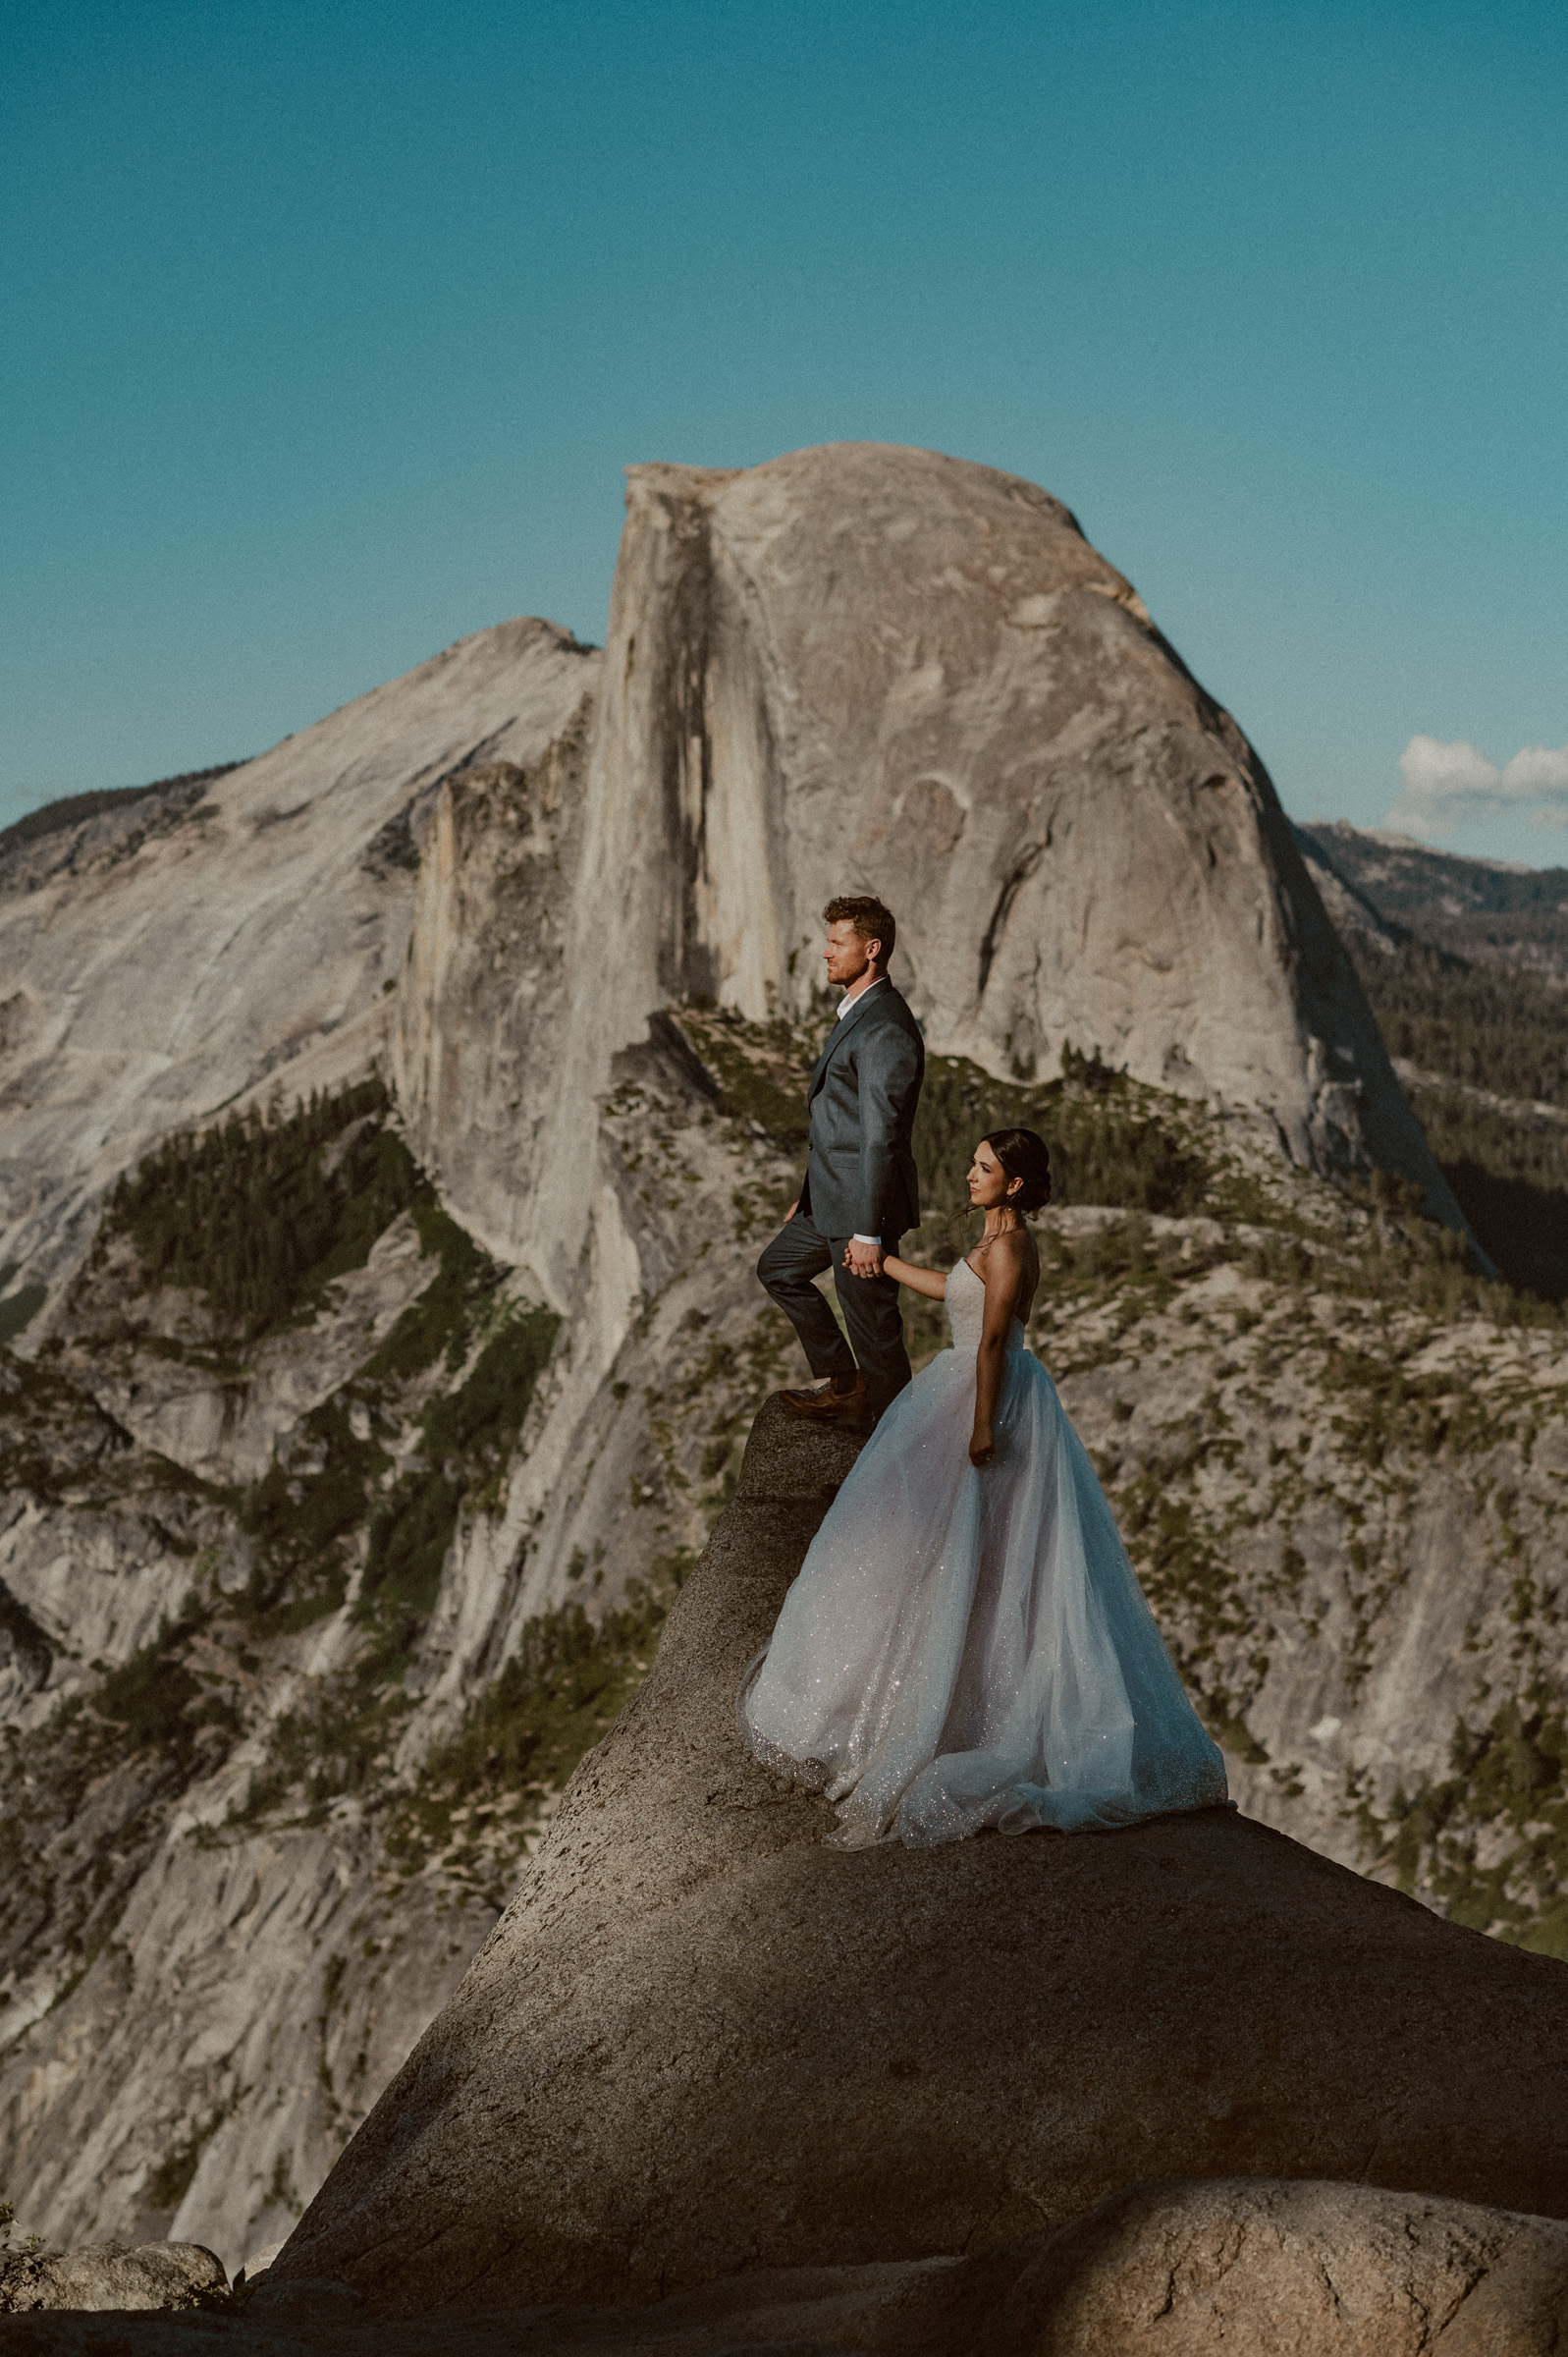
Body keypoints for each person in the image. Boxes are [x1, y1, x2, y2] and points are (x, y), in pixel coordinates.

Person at [740, 1126, 1229, 1848]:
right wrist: (888, 1267)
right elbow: (957, 1294)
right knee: (948, 1548)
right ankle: (942, 1688)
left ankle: (961, 1712)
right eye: (971, 1163)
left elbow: (995, 1338)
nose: (969, 1176)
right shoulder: (991, 1244)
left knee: (979, 1548)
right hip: (962, 1382)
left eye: (983, 1168)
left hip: (984, 1391)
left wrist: (980, 1424)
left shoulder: (1010, 1247)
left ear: (1016, 1184)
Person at [757, 895, 925, 1429]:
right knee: (779, 1269)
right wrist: (808, 1192)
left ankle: (903, 1453)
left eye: (837, 942)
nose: (825, 953)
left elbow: (880, 1138)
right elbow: (842, 1125)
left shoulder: (884, 1029)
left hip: (861, 1212)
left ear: (871, 949)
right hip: (828, 1199)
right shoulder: (859, 1013)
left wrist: (869, 1233)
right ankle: (845, 1383)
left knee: (875, 1337)